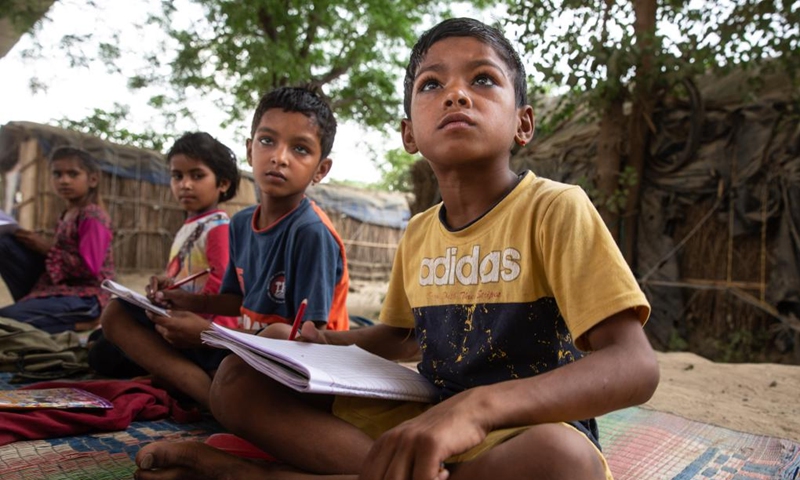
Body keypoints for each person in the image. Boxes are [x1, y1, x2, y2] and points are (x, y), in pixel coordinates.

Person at [134, 18, 659, 480]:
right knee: (239, 379)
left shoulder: (554, 209)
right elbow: (401, 339)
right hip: (423, 414)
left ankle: (260, 476)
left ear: (522, 122)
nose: (457, 94)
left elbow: (635, 366)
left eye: (482, 79)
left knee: (565, 464)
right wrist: (316, 340)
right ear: (409, 133)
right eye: (432, 84)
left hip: (521, 430)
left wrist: (474, 411)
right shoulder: (419, 231)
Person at [90, 132, 241, 407]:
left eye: (197, 176)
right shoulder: (190, 226)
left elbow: (219, 284)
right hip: (180, 322)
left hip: (200, 330)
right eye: (177, 176)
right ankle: (183, 378)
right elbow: (188, 278)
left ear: (223, 183)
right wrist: (166, 286)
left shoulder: (218, 227)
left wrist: (184, 317)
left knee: (113, 321)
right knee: (100, 344)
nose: (185, 185)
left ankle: (207, 395)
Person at [0, 147, 115, 334]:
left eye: (73, 174)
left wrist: (45, 248)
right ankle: (34, 306)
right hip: (58, 287)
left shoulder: (92, 216)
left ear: (92, 180)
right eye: (57, 174)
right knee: (5, 243)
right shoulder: (67, 213)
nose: (64, 180)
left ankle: (85, 321)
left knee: (6, 321)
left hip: (89, 296)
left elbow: (90, 270)